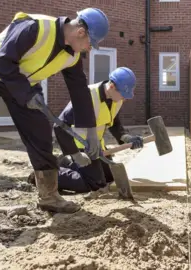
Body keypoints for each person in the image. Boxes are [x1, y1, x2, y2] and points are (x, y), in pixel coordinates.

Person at [0, 7, 110, 226]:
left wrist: (90, 131)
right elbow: (3, 61)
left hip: (23, 84)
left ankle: (49, 196)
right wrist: (26, 94)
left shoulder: (72, 55)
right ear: (80, 32)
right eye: (90, 44)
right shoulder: (35, 26)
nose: (89, 49)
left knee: (40, 132)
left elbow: (80, 90)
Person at [27, 67, 143, 198]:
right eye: (123, 94)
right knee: (93, 184)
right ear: (111, 86)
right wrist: (76, 154)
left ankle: (67, 163)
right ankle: (47, 175)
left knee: (109, 177)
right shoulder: (86, 96)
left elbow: (113, 121)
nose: (125, 99)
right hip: (80, 147)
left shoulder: (117, 99)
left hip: (97, 147)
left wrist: (125, 137)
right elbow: (59, 127)